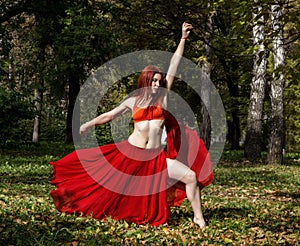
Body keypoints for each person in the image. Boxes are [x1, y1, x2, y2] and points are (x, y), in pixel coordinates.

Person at [50, 22, 214, 228]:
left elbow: (173, 65)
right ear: (145, 81)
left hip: (155, 158)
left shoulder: (163, 98)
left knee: (190, 177)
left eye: (158, 81)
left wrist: (183, 39)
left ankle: (199, 218)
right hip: (132, 155)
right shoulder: (133, 101)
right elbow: (108, 116)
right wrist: (87, 124)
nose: (156, 84)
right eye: (153, 81)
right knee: (111, 189)